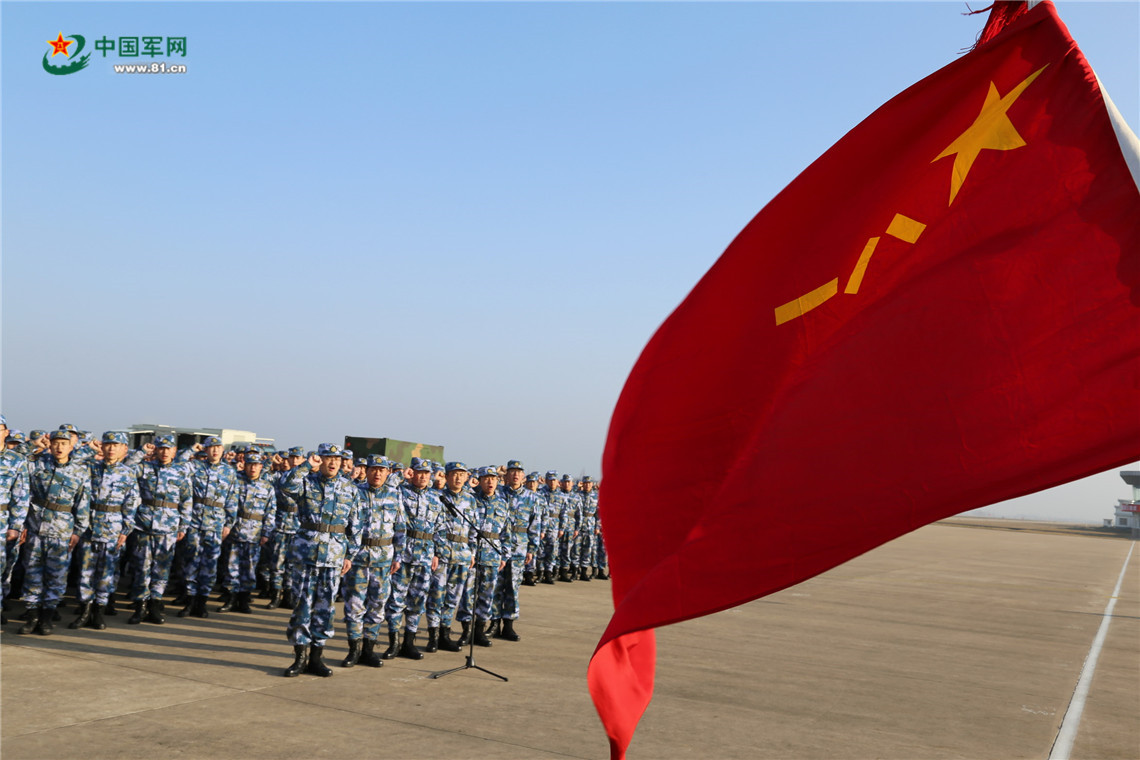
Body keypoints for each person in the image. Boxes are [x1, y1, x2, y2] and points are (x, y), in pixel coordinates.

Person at [276, 443, 361, 677]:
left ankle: (316, 657)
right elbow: (285, 487)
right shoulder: (306, 481)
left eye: (336, 459)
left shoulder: (349, 488)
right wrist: (306, 466)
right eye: (327, 458)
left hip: (334, 557)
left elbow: (356, 525)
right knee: (302, 605)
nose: (332, 463)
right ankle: (299, 658)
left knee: (326, 608)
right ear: (320, 460)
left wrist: (350, 556)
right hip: (306, 554)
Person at [20, 429, 90, 635]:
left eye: (64, 444)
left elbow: (83, 503)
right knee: (32, 573)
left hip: (62, 531)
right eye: (55, 443)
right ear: (49, 445)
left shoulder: (80, 471)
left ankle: (47, 617)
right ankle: (32, 616)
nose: (59, 447)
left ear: (72, 447)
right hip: (36, 528)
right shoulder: (37, 464)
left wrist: (78, 531)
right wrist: (34, 443)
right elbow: (16, 459)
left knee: (56, 576)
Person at [70, 432, 140, 630]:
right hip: (89, 527)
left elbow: (131, 503)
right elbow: (72, 461)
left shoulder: (127, 473)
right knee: (85, 572)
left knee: (106, 573)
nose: (111, 448)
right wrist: (88, 448)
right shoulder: (90, 467)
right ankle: (84, 610)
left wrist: (125, 530)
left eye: (116, 445)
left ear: (124, 448)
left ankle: (99, 611)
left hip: (113, 528)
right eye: (107, 444)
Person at [341, 456, 403, 668]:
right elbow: (346, 525)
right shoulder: (355, 492)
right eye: (374, 469)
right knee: (354, 605)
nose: (377, 473)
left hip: (383, 559)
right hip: (358, 558)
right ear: (366, 471)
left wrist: (399, 556)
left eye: (382, 470)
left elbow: (400, 528)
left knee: (377, 605)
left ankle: (369, 649)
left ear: (388, 473)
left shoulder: (395, 495)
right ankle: (354, 650)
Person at [382, 457, 444, 660]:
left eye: (427, 473)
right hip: (403, 554)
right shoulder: (400, 492)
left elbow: (440, 529)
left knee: (417, 602)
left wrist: (437, 553)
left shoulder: (436, 497)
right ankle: (394, 643)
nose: (423, 477)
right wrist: (401, 474)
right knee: (396, 600)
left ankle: (409, 643)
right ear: (412, 473)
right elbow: (387, 486)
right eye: (419, 472)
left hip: (425, 556)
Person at [129, 434, 193, 625]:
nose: (165, 452)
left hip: (168, 527)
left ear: (174, 451)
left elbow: (187, 500)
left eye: (169, 449)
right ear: (155, 450)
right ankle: (140, 606)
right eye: (161, 448)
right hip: (144, 525)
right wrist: (141, 452)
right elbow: (126, 468)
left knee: (162, 568)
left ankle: (155, 604)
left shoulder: (181, 472)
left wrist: (184, 525)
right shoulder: (144, 468)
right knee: (141, 567)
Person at [177, 436, 238, 619]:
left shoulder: (229, 472)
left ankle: (201, 603)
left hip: (215, 524)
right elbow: (178, 467)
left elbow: (232, 500)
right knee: (191, 563)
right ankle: (189, 602)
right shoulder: (195, 466)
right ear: (206, 449)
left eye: (218, 447)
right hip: (195, 522)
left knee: (210, 565)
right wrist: (191, 450)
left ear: (222, 450)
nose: (215, 451)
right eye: (211, 448)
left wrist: (229, 524)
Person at [458, 467, 510, 647]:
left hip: (492, 556)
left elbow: (506, 534)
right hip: (472, 556)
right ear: (479, 480)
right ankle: (466, 631)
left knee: (486, 596)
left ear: (498, 481)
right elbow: (457, 492)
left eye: (493, 479)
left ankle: (479, 632)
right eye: (486, 479)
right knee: (468, 595)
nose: (490, 482)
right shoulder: (471, 498)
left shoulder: (503, 503)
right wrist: (467, 482)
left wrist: (504, 556)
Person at [427, 461, 475, 652]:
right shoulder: (436, 497)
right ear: (446, 476)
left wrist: (471, 551)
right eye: (453, 474)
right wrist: (435, 552)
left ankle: (445, 635)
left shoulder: (470, 500)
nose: (457, 478)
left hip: (462, 555)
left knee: (452, 598)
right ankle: (433, 636)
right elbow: (431, 526)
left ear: (466, 477)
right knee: (436, 596)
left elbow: (473, 528)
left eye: (461, 474)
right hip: (443, 553)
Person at [491, 460, 540, 641]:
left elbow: (535, 525)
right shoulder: (498, 493)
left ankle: (509, 624)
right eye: (512, 472)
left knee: (513, 587)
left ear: (523, 476)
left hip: (520, 547)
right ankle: (494, 623)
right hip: (498, 547)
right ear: (506, 475)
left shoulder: (531, 497)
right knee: (496, 586)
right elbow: (479, 492)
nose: (515, 475)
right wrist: (495, 472)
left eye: (518, 472)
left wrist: (532, 548)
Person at [220, 452, 276, 614]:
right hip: (235, 530)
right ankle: (230, 599)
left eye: (256, 465)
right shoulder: (236, 482)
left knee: (249, 569)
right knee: (231, 567)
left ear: (261, 467)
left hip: (255, 534)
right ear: (245, 465)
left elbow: (270, 512)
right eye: (250, 464)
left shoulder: (267, 487)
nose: (253, 468)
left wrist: (266, 533)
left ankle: (244, 600)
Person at [0, 416, 30, 625]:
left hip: (3, 521)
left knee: (4, 568)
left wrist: (15, 526)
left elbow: (21, 496)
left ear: (6, 432)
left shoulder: (16, 460)